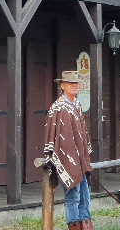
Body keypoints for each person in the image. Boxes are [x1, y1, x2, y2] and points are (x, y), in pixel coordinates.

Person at [44, 70, 93, 230]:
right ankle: (74, 225)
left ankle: (85, 223)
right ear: (62, 86)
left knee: (85, 195)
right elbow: (53, 135)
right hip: (66, 159)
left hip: (80, 159)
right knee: (73, 196)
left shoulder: (76, 104)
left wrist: (82, 157)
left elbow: (82, 134)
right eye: (71, 83)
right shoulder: (58, 107)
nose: (74, 86)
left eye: (76, 83)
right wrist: (67, 157)